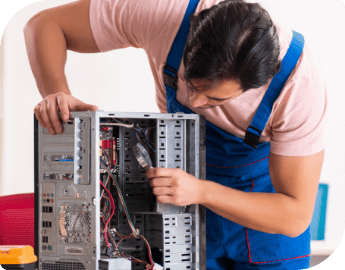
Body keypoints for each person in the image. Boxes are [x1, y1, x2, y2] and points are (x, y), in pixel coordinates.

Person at [24, 0, 327, 269]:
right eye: (189, 83)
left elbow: (295, 215)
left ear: (256, 85)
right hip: (182, 206)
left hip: (265, 212)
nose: (194, 104)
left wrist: (202, 191)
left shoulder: (298, 87)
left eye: (215, 99)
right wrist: (58, 96)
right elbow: (45, 25)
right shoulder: (162, 13)